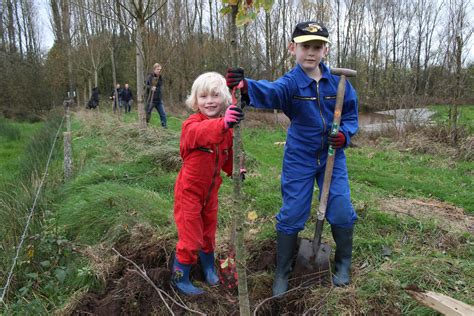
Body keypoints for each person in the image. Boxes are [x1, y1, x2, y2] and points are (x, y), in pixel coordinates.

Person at [226, 21, 359, 295]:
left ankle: (343, 263)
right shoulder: (291, 83)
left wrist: (344, 134)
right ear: (292, 48)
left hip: (333, 154)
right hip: (300, 154)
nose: (310, 53)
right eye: (305, 46)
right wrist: (246, 86)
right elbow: (271, 91)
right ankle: (282, 272)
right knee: (293, 211)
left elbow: (350, 115)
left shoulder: (338, 82)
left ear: (326, 50)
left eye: (317, 47)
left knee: (341, 208)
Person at [171, 72, 244, 296]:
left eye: (215, 95)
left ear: (225, 99)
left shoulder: (228, 130)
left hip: (211, 192)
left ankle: (208, 267)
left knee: (208, 233)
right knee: (191, 236)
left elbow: (227, 154)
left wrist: (235, 170)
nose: (209, 101)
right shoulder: (191, 125)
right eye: (203, 97)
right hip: (189, 192)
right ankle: (179, 276)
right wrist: (222, 124)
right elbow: (201, 134)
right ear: (195, 101)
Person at [145, 63, 167, 127]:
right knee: (147, 113)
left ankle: (164, 128)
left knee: (163, 114)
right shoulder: (149, 77)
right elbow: (145, 86)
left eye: (160, 69)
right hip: (151, 100)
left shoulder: (160, 77)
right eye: (157, 69)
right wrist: (151, 87)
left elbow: (160, 87)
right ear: (154, 69)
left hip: (159, 100)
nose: (159, 71)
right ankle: (145, 126)